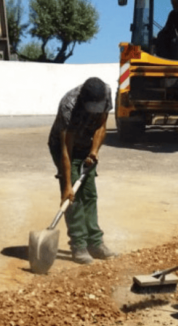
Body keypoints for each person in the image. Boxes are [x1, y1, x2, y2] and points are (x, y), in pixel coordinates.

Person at [47, 77, 116, 264]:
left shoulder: (106, 94)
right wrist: (67, 185)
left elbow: (102, 126)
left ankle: (95, 243)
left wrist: (94, 151)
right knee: (73, 198)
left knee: (89, 194)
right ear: (83, 102)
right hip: (64, 148)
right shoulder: (68, 105)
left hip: (87, 147)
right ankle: (78, 246)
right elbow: (65, 151)